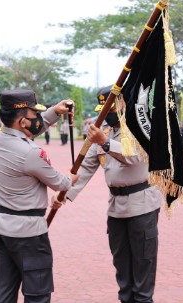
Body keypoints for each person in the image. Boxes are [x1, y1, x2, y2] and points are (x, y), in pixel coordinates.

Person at [54, 86, 163, 303]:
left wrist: (104, 141)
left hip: (142, 205)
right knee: (122, 268)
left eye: (109, 109)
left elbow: (134, 156)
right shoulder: (104, 129)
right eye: (103, 110)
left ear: (122, 105)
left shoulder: (140, 125)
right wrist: (64, 193)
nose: (105, 115)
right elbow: (85, 166)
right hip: (116, 206)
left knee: (142, 268)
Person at [0, 89, 79, 303]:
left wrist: (54, 111)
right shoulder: (31, 153)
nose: (38, 118)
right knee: (37, 294)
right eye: (34, 115)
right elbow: (61, 183)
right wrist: (71, 178)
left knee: (4, 290)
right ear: (22, 121)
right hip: (28, 235)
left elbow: (27, 132)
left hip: (2, 227)